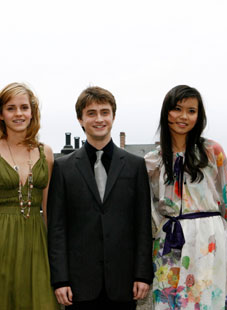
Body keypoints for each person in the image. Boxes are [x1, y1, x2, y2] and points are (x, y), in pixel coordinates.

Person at [47, 86, 153, 309]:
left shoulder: (135, 166)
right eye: (91, 113)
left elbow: (142, 224)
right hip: (78, 285)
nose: (99, 119)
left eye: (105, 112)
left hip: (124, 283)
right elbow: (57, 227)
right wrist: (60, 279)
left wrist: (142, 275)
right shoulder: (63, 168)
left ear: (113, 116)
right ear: (80, 119)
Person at [144, 85, 227, 309]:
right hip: (169, 239)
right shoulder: (152, 161)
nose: (183, 116)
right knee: (169, 300)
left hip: (209, 239)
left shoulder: (212, 151)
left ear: (199, 115)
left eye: (191, 110)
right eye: (177, 109)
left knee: (207, 300)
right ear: (166, 112)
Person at [0, 82, 59, 310]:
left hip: (37, 242)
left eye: (24, 107)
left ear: (32, 112)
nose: (18, 113)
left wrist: (55, 254)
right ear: (0, 114)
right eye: (11, 108)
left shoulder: (45, 152)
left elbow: (49, 208)